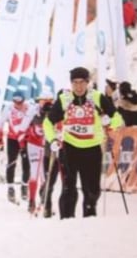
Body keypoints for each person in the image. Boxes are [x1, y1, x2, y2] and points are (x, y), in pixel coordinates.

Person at [42, 67, 121, 218]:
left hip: (92, 149)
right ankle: (66, 219)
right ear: (71, 83)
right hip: (70, 148)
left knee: (92, 190)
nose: (78, 87)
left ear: (88, 82)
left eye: (82, 82)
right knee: (68, 188)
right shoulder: (64, 99)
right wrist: (52, 139)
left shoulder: (97, 97)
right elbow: (47, 123)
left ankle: (90, 217)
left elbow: (118, 118)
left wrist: (109, 123)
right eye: (75, 83)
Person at [0, 91, 33, 204]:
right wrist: (0, 139)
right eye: (15, 102)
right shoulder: (8, 108)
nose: (18, 104)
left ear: (23, 100)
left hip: (26, 139)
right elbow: (0, 123)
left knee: (27, 163)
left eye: (20, 102)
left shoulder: (29, 107)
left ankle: (24, 186)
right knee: (11, 163)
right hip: (12, 139)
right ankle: (10, 188)